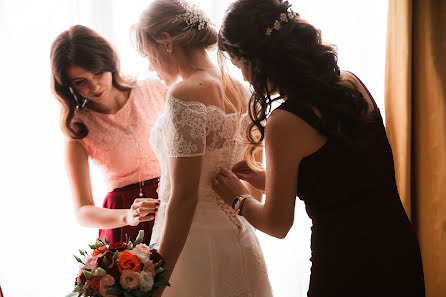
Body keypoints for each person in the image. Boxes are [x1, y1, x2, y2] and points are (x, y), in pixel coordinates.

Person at [213, 0, 425, 296]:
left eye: (240, 66)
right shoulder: (351, 83)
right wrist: (267, 180)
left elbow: (277, 224)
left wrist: (238, 199)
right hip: (398, 250)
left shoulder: (284, 123)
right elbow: (345, 176)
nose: (245, 79)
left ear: (260, 61)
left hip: (346, 264)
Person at [132, 1, 273, 296]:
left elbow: (184, 197)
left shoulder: (185, 93)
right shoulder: (243, 89)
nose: (149, 65)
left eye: (148, 54)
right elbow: (255, 180)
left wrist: (157, 280)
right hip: (237, 238)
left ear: (166, 43)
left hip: (192, 245)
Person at [50, 25, 166, 245]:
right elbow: (83, 211)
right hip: (124, 224)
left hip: (174, 200)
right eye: (79, 81)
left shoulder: (154, 89)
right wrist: (127, 216)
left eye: (97, 73)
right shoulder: (77, 127)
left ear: (110, 64)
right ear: (67, 85)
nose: (93, 86)